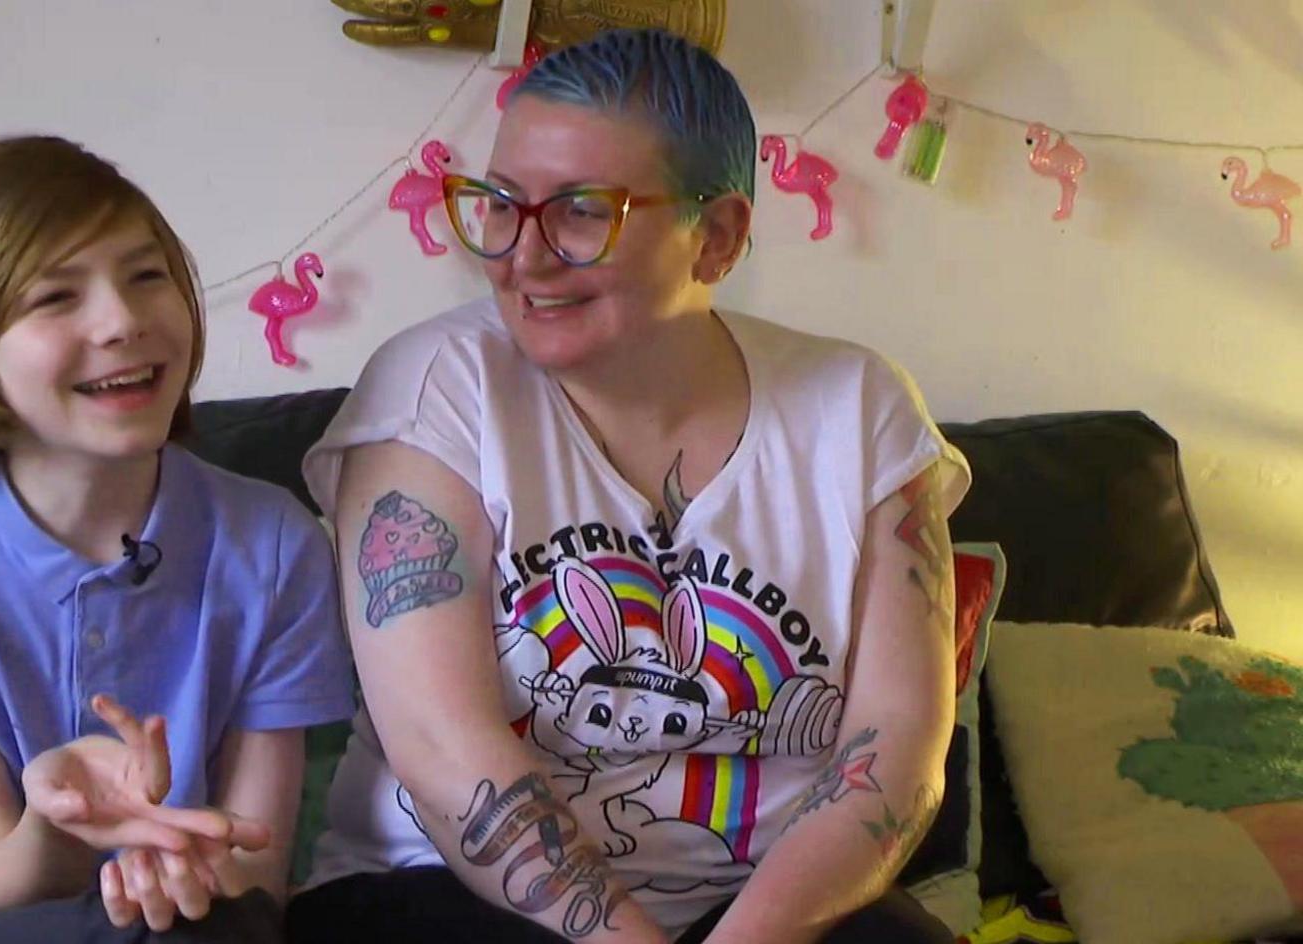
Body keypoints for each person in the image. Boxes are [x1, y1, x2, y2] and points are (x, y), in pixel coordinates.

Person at [287, 29, 969, 944]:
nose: (520, 256)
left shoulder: (860, 412)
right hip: (447, 892)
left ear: (717, 237)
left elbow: (895, 749)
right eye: (498, 205)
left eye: (578, 212)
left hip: (765, 910)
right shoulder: (434, 390)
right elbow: (444, 749)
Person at [0, 136, 356, 944]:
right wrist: (63, 822)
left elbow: (254, 874)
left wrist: (186, 874)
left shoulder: (274, 545)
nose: (123, 321)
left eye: (146, 276)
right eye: (56, 297)